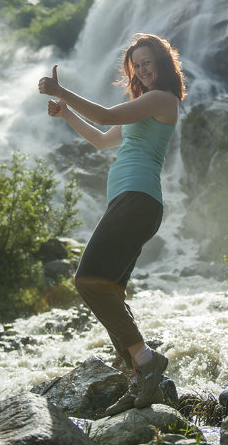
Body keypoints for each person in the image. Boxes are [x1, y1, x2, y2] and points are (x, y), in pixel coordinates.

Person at [38, 33, 185, 414]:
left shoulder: (162, 99)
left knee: (87, 280)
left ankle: (146, 360)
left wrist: (62, 90)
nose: (142, 69)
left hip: (138, 200)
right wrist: (66, 113)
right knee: (109, 290)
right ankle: (139, 380)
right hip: (130, 202)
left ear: (163, 64)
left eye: (149, 62)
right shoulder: (141, 106)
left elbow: (103, 114)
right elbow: (104, 139)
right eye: (136, 64)